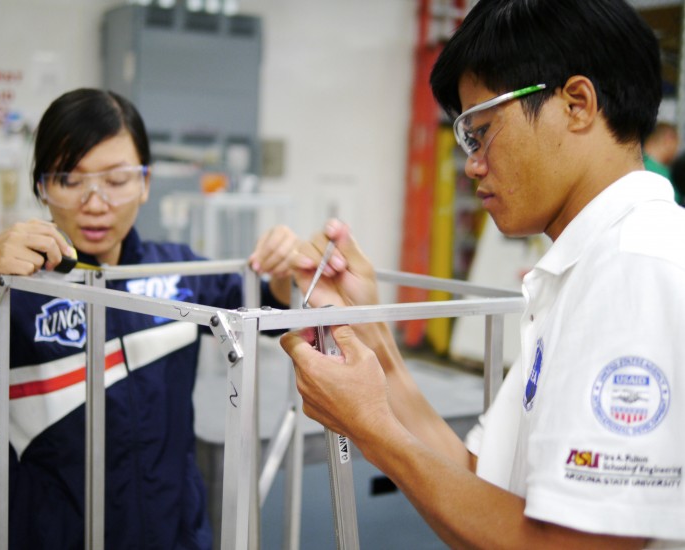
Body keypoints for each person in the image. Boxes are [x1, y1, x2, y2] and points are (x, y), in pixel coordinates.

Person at [281, 0, 684, 548]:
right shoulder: (584, 266)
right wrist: (372, 339)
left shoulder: (634, 266)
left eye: (482, 130)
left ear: (577, 104)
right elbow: (482, 483)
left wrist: (370, 431)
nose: (472, 163)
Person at [0, 88, 297, 549]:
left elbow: (272, 312)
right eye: (71, 180)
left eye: (116, 180)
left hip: (173, 533)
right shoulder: (13, 289)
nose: (95, 203)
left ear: (145, 183)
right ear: (41, 187)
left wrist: (285, 269)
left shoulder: (176, 270)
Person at [643, 121, 681, 202]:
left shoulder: (632, 162)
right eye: (677, 144)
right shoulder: (668, 177)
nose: (677, 150)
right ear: (668, 140)